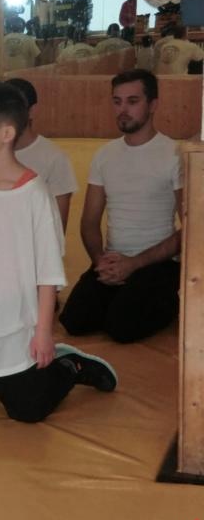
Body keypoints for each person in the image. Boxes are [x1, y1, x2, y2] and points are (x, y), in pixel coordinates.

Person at [0, 81, 117, 423]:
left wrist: (43, 332)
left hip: (14, 325)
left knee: (27, 411)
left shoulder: (35, 196)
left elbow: (47, 274)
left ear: (6, 133)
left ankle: (68, 365)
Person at [59, 70, 181, 343]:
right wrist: (101, 261)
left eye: (132, 101)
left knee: (121, 328)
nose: (123, 110)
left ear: (153, 105)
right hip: (113, 259)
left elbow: (191, 227)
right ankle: (123, 294)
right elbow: (89, 222)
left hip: (156, 262)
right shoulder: (105, 155)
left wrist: (135, 263)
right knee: (74, 321)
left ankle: (167, 299)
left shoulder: (174, 154)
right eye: (117, 101)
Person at [5, 78, 78, 233]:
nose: (7, 116)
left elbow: (57, 228)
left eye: (15, 108)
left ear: (31, 111)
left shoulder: (54, 158)